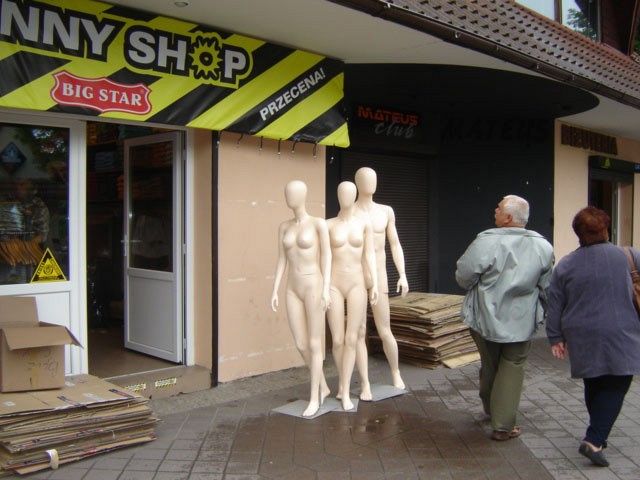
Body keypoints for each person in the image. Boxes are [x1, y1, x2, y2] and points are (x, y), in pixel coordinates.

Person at [546, 207, 640, 467]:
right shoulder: (628, 255)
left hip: (580, 333)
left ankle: (598, 429)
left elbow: (555, 303)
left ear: (578, 233)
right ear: (606, 229)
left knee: (594, 381)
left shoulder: (566, 265)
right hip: (621, 331)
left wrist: (555, 337)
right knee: (618, 383)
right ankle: (594, 440)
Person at [456, 195, 553, 441]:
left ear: (508, 217)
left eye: (498, 208)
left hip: (484, 318)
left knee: (490, 363)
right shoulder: (543, 246)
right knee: (513, 365)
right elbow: (547, 286)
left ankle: (491, 409)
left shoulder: (485, 241)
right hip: (522, 320)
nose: (495, 210)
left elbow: (463, 276)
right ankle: (503, 424)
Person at [271, 180, 332, 417]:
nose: (289, 196)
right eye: (286, 192)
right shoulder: (284, 227)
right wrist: (274, 289)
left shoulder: (318, 224)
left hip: (313, 285)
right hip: (292, 288)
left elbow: (327, 256)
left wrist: (326, 287)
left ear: (303, 195)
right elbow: (281, 259)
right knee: (300, 343)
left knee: (315, 343)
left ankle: (315, 397)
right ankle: (323, 385)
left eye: (293, 193)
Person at [354, 167, 408, 389]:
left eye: (374, 178)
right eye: (366, 179)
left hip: (380, 273)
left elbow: (395, 243)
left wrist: (402, 274)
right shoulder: (350, 211)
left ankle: (395, 372)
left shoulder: (386, 211)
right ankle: (365, 382)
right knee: (359, 331)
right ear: (357, 183)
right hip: (357, 275)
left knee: (385, 329)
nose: (371, 183)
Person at [327, 181, 378, 411]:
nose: (345, 197)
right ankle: (342, 383)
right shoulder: (328, 225)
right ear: (337, 196)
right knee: (337, 339)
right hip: (334, 284)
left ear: (355, 195)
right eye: (341, 193)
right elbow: (324, 259)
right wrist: (322, 288)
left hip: (357, 283)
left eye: (349, 193)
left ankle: (349, 389)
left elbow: (370, 255)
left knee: (353, 337)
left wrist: (374, 283)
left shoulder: (364, 223)